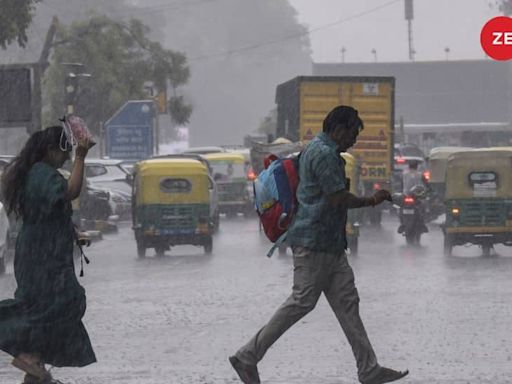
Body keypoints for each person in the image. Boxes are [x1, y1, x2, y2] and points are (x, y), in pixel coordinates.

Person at [229, 106, 408, 384]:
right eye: (352, 133)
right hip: (314, 243)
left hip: (330, 244)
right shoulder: (324, 155)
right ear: (338, 129)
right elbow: (338, 198)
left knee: (348, 304)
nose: (354, 140)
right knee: (302, 302)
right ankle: (247, 356)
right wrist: (372, 200)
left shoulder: (321, 151)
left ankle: (369, 368)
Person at [0, 126, 96, 384]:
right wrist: (81, 156)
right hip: (42, 256)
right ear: (51, 150)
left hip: (44, 253)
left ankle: (36, 368)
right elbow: (71, 192)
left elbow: (51, 212)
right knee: (59, 304)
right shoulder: (42, 174)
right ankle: (29, 354)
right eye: (64, 152)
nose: (66, 157)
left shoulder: (38, 174)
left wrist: (73, 232)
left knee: (46, 309)